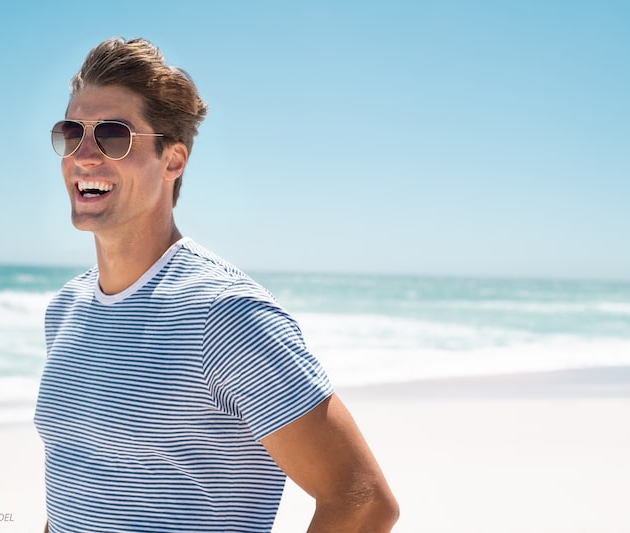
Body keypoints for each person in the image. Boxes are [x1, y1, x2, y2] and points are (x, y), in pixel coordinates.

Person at [34, 37, 399, 533]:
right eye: (71, 133)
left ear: (173, 161)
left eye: (115, 137)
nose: (85, 155)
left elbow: (362, 501)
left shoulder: (225, 315)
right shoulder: (67, 309)